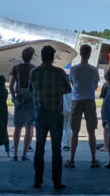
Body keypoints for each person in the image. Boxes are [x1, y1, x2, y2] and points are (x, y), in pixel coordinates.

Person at [30, 45, 71, 190]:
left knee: (39, 148)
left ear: (41, 56)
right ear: (53, 58)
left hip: (40, 114)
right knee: (56, 149)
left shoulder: (34, 72)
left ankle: (37, 180)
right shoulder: (59, 72)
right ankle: (56, 180)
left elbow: (31, 89)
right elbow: (68, 89)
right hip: (55, 114)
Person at [67, 45, 100, 169]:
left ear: (80, 54)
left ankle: (71, 159)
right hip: (89, 100)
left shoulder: (74, 69)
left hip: (77, 100)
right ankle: (93, 159)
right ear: (90, 54)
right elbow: (96, 84)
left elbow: (72, 83)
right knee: (91, 131)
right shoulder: (94, 70)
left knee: (75, 131)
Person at [10, 47, 36, 161]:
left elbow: (11, 85)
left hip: (19, 99)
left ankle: (15, 154)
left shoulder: (16, 68)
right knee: (29, 128)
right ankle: (24, 154)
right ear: (32, 57)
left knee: (17, 127)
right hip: (30, 100)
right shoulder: (34, 69)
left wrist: (14, 96)